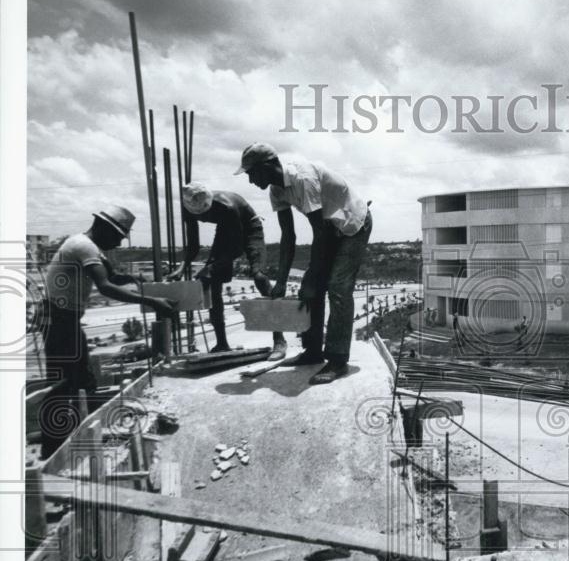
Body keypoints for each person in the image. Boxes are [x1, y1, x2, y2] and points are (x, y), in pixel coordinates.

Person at [39, 206, 177, 457]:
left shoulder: (91, 248)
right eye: (118, 236)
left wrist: (136, 281)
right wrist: (151, 301)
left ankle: (85, 437)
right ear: (104, 228)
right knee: (62, 386)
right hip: (58, 320)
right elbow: (105, 287)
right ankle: (52, 453)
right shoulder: (84, 247)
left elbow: (112, 276)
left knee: (83, 381)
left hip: (64, 319)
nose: (120, 242)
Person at [236, 143, 372, 383]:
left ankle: (338, 360)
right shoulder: (276, 191)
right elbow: (288, 237)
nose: (250, 181)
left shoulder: (303, 179)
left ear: (267, 166)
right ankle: (312, 352)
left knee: (338, 288)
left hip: (353, 224)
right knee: (310, 290)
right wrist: (281, 282)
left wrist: (311, 275)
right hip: (330, 228)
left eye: (251, 174)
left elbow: (319, 232)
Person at [166, 182, 286, 360]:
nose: (204, 215)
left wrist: (212, 267)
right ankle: (222, 343)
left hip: (249, 227)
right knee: (211, 282)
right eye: (201, 214)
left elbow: (236, 249)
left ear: (209, 201)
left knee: (259, 276)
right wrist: (182, 267)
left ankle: (279, 339)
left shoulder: (226, 206)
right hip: (225, 229)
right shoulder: (188, 209)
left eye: (206, 211)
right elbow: (193, 245)